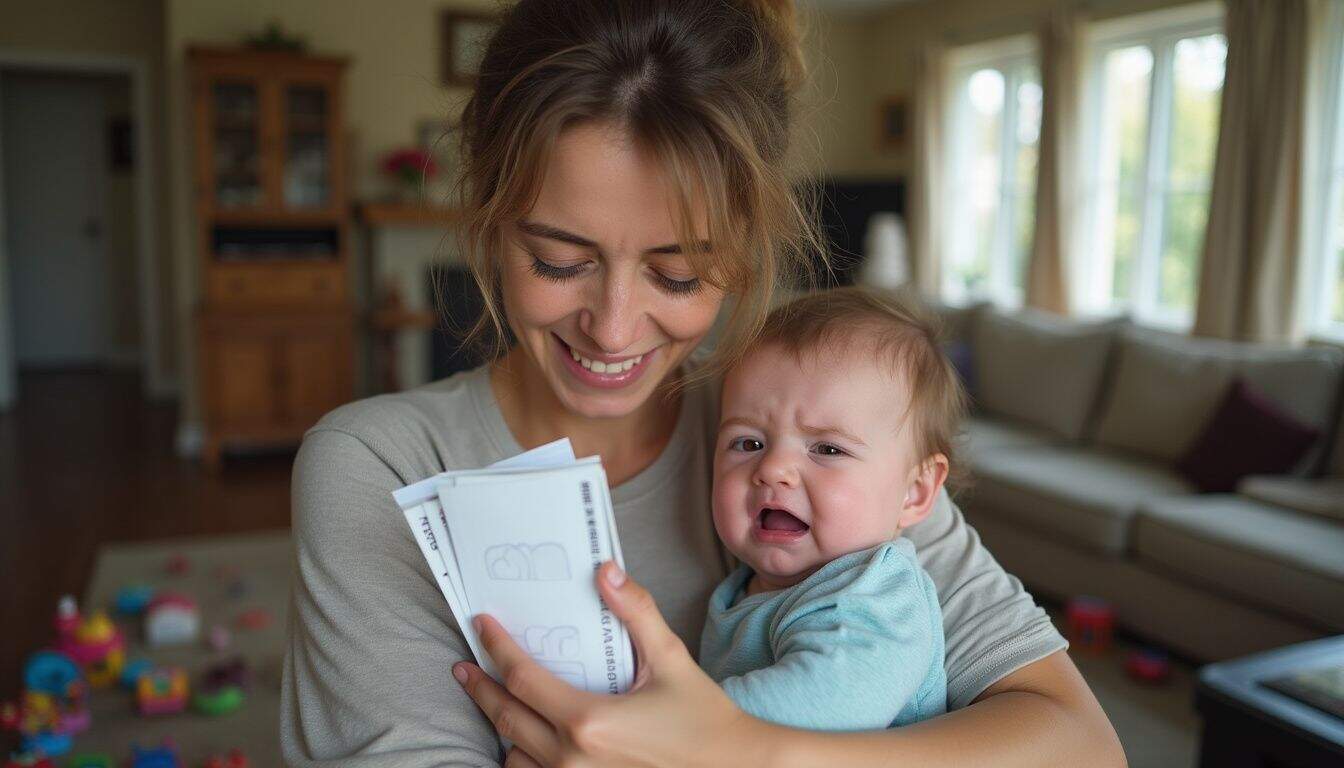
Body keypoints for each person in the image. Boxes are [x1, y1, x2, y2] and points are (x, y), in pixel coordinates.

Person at [281, 1, 1126, 766]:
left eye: (677, 274)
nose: (612, 328)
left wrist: (746, 754)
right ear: (489, 216)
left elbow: (1082, 744)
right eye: (559, 261)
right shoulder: (380, 467)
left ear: (744, 247)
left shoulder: (809, 433)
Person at [699, 287, 959, 731]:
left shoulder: (876, 593)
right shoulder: (748, 586)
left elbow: (829, 699)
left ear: (914, 493)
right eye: (749, 443)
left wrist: (678, 719)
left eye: (827, 448)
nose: (773, 468)